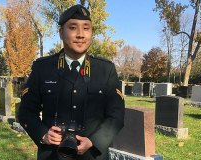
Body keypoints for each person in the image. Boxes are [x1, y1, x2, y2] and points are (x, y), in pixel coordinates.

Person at [18, 4, 124, 160]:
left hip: (93, 155)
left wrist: (94, 142)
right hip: (52, 155)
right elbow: (26, 111)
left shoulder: (105, 70)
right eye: (73, 27)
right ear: (61, 33)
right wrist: (43, 134)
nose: (81, 34)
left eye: (86, 28)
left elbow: (116, 115)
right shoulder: (43, 68)